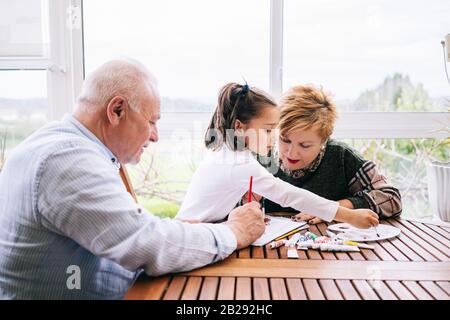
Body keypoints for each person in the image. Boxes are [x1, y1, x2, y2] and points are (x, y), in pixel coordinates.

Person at [0, 59, 265, 299]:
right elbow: (146, 244)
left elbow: (126, 233)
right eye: (151, 122)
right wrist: (233, 232)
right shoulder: (66, 160)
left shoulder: (59, 144)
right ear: (116, 110)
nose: (155, 136)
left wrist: (179, 232)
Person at [175, 82, 380, 230]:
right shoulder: (239, 163)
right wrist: (349, 216)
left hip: (193, 230)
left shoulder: (227, 152)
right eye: (267, 131)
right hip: (190, 236)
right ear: (239, 127)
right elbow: (288, 194)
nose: (273, 139)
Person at [259, 84, 402, 224]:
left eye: (305, 145)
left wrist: (332, 210)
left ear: (323, 140)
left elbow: (392, 198)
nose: (291, 153)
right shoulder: (261, 154)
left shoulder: (342, 157)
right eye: (285, 140)